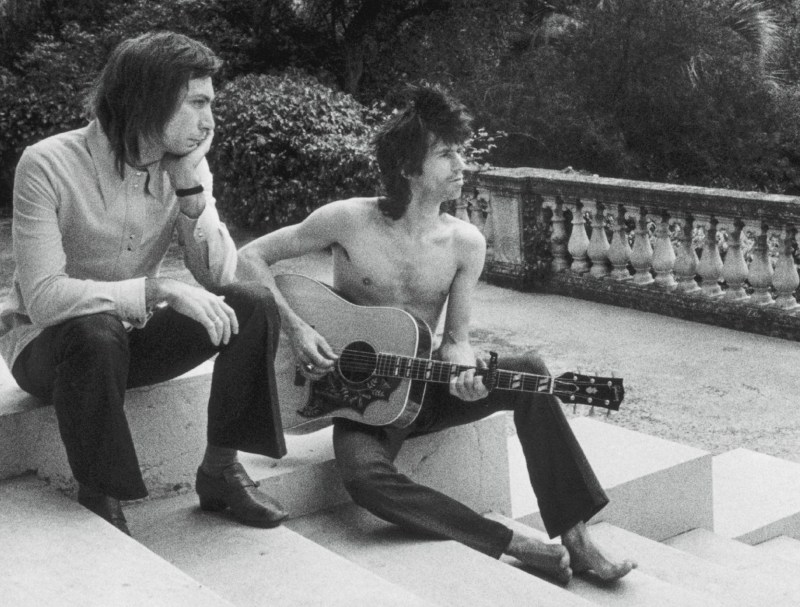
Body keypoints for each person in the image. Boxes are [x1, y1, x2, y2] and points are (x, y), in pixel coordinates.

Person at [237, 85, 636, 585]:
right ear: (408, 167)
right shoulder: (346, 220)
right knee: (364, 480)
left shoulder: (465, 243)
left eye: (459, 150)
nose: (462, 163)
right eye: (446, 153)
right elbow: (249, 258)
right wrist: (294, 329)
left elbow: (456, 338)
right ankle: (511, 543)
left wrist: (463, 371)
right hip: (360, 398)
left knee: (532, 372)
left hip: (425, 385)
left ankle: (577, 540)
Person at [0, 31, 288, 535]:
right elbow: (45, 299)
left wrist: (192, 193)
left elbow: (218, 276)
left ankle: (220, 470)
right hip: (48, 350)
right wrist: (157, 290)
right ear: (148, 98)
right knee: (96, 330)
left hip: (127, 345)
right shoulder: (47, 163)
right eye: (197, 102)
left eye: (210, 103)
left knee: (252, 302)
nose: (209, 121)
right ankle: (102, 495)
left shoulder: (185, 167)